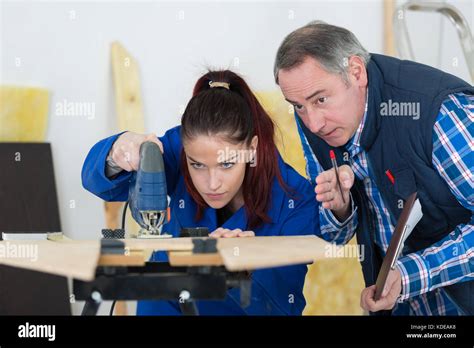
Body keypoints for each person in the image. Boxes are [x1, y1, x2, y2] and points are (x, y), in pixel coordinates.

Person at [82, 70, 331, 315]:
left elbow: (282, 307)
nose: (212, 184)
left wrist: (239, 272)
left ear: (251, 149)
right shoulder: (179, 149)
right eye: (197, 165)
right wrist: (117, 152)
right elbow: (97, 182)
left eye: (227, 164)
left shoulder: (297, 201)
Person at [274, 21, 474, 315]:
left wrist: (410, 275)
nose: (313, 123)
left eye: (320, 99)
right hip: (402, 306)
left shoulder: (437, 112)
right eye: (298, 106)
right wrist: (340, 209)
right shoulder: (316, 123)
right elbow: (334, 237)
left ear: (356, 72)